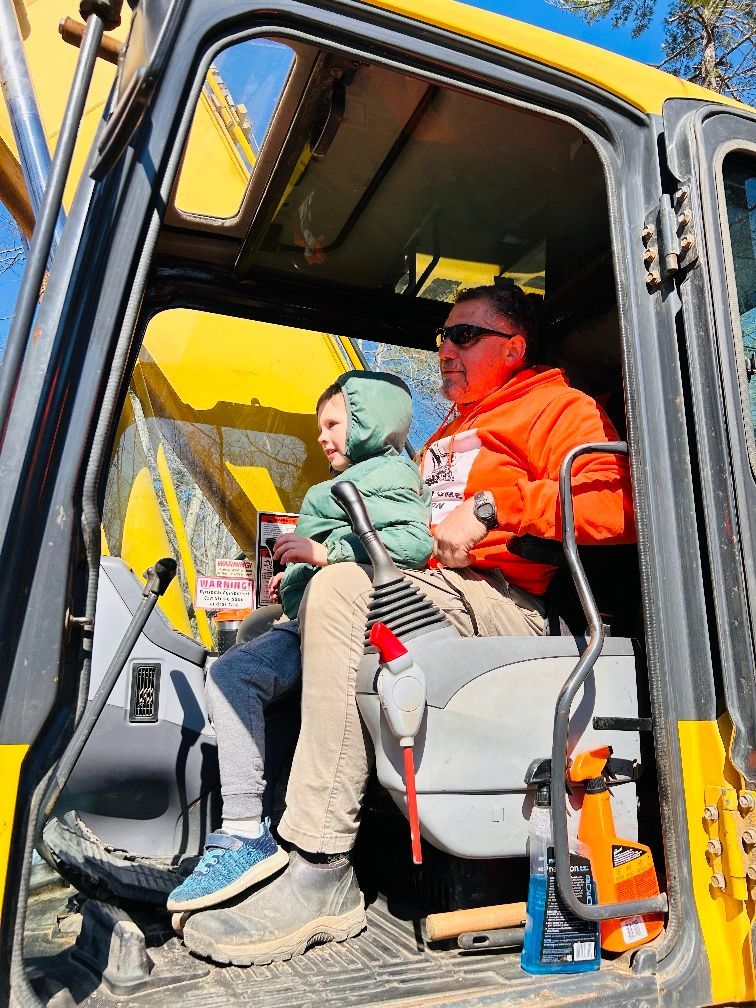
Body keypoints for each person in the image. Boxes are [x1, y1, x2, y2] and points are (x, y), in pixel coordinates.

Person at [181, 283, 635, 965]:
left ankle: (321, 861)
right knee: (268, 625)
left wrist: (488, 510)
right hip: (428, 588)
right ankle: (254, 835)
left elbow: (617, 504)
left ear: (513, 346)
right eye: (441, 337)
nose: (443, 350)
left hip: (501, 602)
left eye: (462, 336)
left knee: (338, 591)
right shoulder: (442, 437)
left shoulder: (556, 407)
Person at [167, 371, 432, 913]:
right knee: (238, 656)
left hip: (353, 620)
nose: (323, 436)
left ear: (368, 421)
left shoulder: (389, 478)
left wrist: (321, 556)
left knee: (236, 673)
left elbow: (411, 541)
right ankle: (253, 822)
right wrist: (289, 583)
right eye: (320, 427)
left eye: (334, 423)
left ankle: (273, 837)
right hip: (307, 617)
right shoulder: (348, 482)